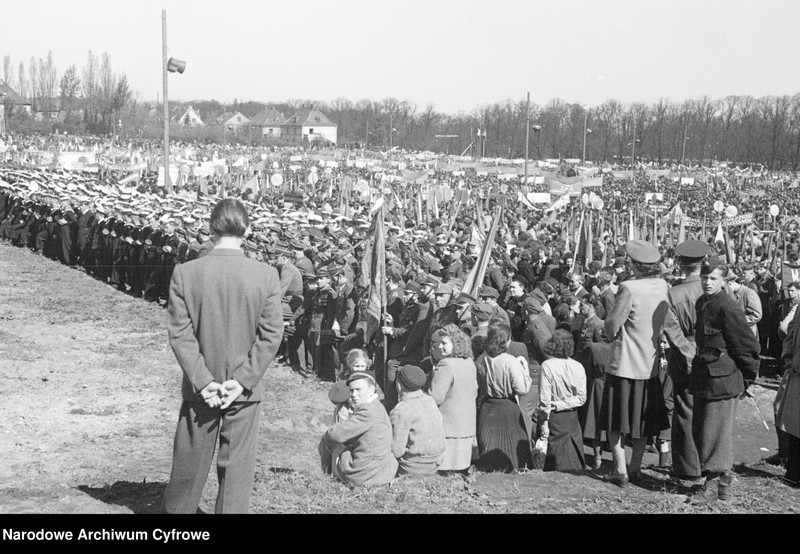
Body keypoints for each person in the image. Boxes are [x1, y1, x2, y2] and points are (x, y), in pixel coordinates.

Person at [161, 198, 284, 514]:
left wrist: (203, 381)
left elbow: (181, 334)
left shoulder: (185, 273)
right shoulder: (267, 275)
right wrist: (242, 381)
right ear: (249, 229)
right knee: (235, 475)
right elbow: (270, 336)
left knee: (188, 469)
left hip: (201, 389)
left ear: (210, 228)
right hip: (244, 391)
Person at [689, 259, 760, 503]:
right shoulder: (702, 303)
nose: (707, 282)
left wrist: (747, 379)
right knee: (704, 431)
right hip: (704, 377)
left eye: (714, 279)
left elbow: (747, 347)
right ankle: (724, 484)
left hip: (723, 379)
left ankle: (711, 487)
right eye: (705, 278)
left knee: (714, 434)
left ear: (724, 281)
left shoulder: (728, 307)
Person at [601, 240, 670, 488]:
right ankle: (635, 467)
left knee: (615, 420)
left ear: (636, 266)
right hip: (648, 365)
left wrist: (609, 331)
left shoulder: (628, 288)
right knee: (643, 420)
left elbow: (612, 325)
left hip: (624, 364)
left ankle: (620, 470)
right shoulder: (663, 285)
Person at [662, 239, 708, 489]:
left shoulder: (673, 293)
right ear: (704, 262)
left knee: (685, 413)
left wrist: (689, 359)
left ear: (680, 263)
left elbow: (673, 333)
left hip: (684, 358)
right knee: (710, 414)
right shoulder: (717, 289)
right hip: (713, 356)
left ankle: (688, 468)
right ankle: (708, 465)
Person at [319, 370, 398, 487]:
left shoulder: (367, 411)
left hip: (364, 475)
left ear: (371, 390)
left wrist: (330, 432)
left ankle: (327, 476)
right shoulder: (378, 406)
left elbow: (336, 435)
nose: (354, 394)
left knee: (328, 440)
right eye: (351, 390)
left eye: (358, 390)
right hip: (383, 470)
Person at [476, 323, 533, 472]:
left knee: (489, 457)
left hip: (488, 407)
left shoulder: (481, 359)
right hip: (508, 408)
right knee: (513, 458)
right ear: (505, 340)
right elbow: (522, 389)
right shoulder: (510, 361)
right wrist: (525, 370)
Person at [428, 323, 478, 474]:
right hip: (466, 426)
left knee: (446, 472)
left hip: (449, 428)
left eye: (444, 343)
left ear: (455, 344)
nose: (440, 347)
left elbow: (435, 397)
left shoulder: (446, 364)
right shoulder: (469, 362)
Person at [535, 329, 587, 473]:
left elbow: (544, 400)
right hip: (572, 418)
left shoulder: (547, 365)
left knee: (555, 462)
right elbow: (582, 398)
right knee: (573, 460)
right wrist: (563, 404)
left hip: (554, 417)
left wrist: (544, 423)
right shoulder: (579, 366)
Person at [390, 365, 447, 476]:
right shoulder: (430, 400)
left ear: (398, 385)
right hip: (436, 462)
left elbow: (396, 451)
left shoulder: (401, 409)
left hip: (414, 467)